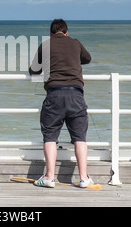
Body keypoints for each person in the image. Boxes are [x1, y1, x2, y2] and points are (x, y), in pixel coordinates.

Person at [29, 19, 92, 188]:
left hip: (54, 94)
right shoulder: (75, 43)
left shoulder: (46, 44)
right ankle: (84, 178)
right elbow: (87, 59)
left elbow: (34, 70)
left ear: (51, 33)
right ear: (66, 32)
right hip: (76, 94)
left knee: (50, 137)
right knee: (80, 138)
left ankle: (49, 177)